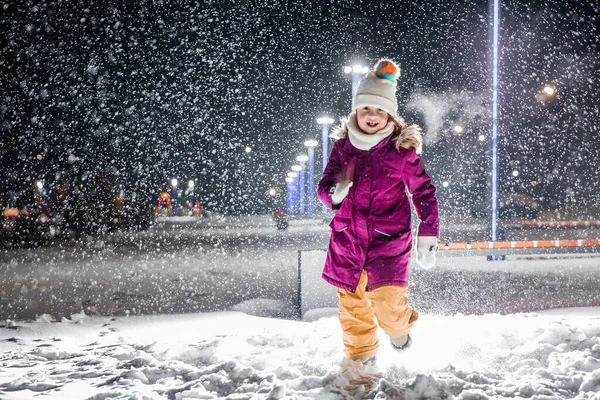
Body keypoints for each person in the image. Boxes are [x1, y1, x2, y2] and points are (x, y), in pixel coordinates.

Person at [317, 59, 439, 368]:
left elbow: (423, 191)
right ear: (355, 112)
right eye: (366, 109)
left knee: (388, 305)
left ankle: (400, 330)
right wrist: (333, 194)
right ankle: (362, 362)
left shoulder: (400, 152)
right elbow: (324, 185)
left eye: (379, 110)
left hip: (388, 242)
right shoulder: (343, 148)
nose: (372, 116)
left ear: (390, 115)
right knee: (353, 310)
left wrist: (427, 234)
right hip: (347, 242)